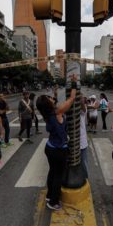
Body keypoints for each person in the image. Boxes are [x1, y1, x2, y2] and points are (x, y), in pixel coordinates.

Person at [35, 74, 77, 211]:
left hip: (50, 148)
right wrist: (74, 83)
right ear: (49, 104)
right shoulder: (58, 112)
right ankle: (53, 202)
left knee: (52, 172)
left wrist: (54, 92)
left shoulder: (48, 114)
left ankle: (49, 195)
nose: (51, 98)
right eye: (49, 98)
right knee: (58, 175)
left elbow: (55, 103)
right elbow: (72, 98)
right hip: (59, 150)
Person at [80, 95, 89, 178]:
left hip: (82, 141)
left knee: (83, 162)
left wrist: (81, 100)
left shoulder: (82, 110)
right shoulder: (69, 109)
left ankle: (85, 178)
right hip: (71, 141)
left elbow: (83, 109)